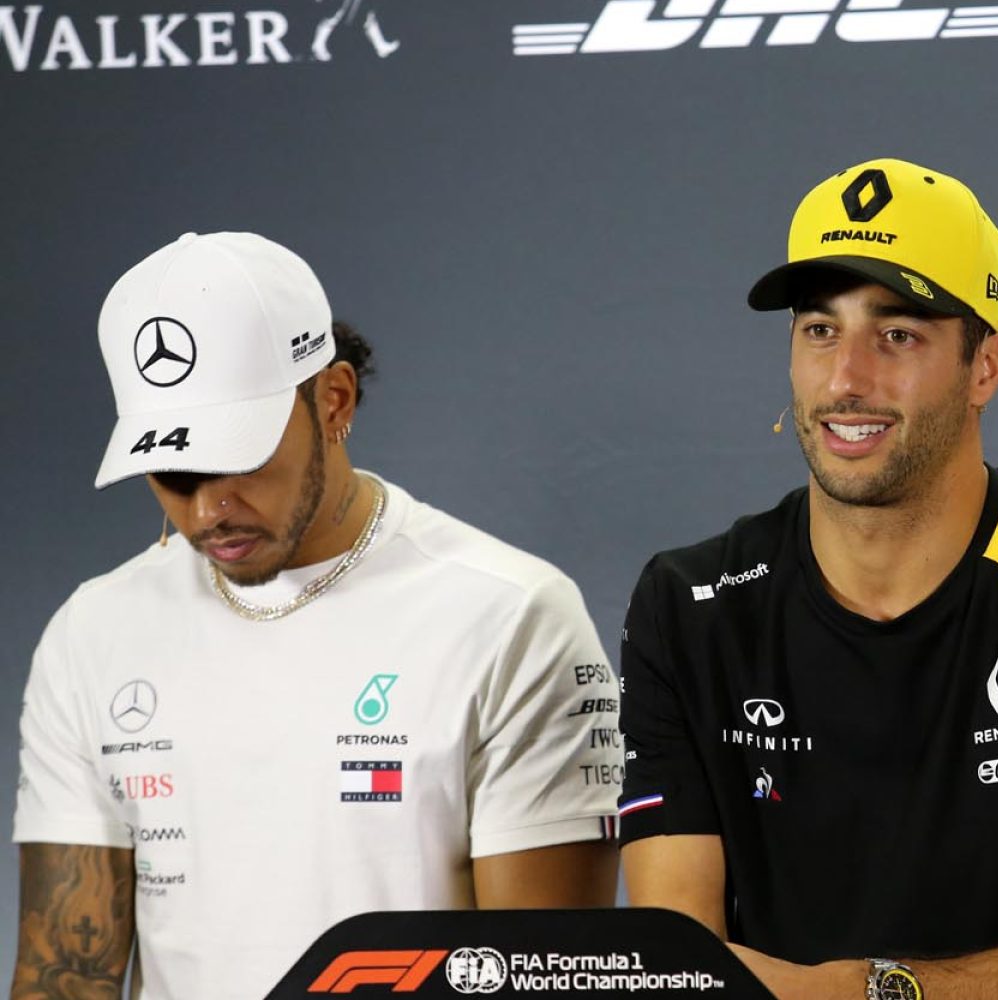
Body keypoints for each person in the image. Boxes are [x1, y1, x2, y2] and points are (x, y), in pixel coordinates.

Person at [616, 158, 998, 1000]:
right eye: (820, 330)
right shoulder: (686, 604)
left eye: (898, 335)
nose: (847, 378)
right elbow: (677, 966)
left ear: (987, 367)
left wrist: (865, 991)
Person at [11, 232, 621, 999]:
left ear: (333, 399)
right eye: (170, 472)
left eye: (238, 457)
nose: (208, 510)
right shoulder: (93, 633)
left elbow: (539, 978)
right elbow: (65, 978)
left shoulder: (513, 617)